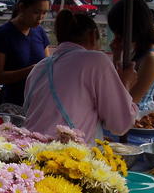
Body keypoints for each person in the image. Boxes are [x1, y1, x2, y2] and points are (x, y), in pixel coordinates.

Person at [23, 10, 138, 142]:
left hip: (28, 150)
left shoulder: (39, 68)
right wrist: (126, 84)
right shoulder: (96, 60)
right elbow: (120, 124)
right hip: (64, 157)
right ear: (92, 36)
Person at [0, 0, 51, 107]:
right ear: (22, 8)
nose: (40, 18)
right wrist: (30, 71)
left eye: (44, 13)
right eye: (36, 12)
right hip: (14, 104)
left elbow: (47, 65)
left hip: (40, 103)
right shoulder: (2, 34)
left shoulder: (40, 32)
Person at [107, 0, 154, 110]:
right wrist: (117, 55)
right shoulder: (137, 51)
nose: (116, 36)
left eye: (118, 31)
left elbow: (131, 99)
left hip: (139, 118)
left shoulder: (151, 58)